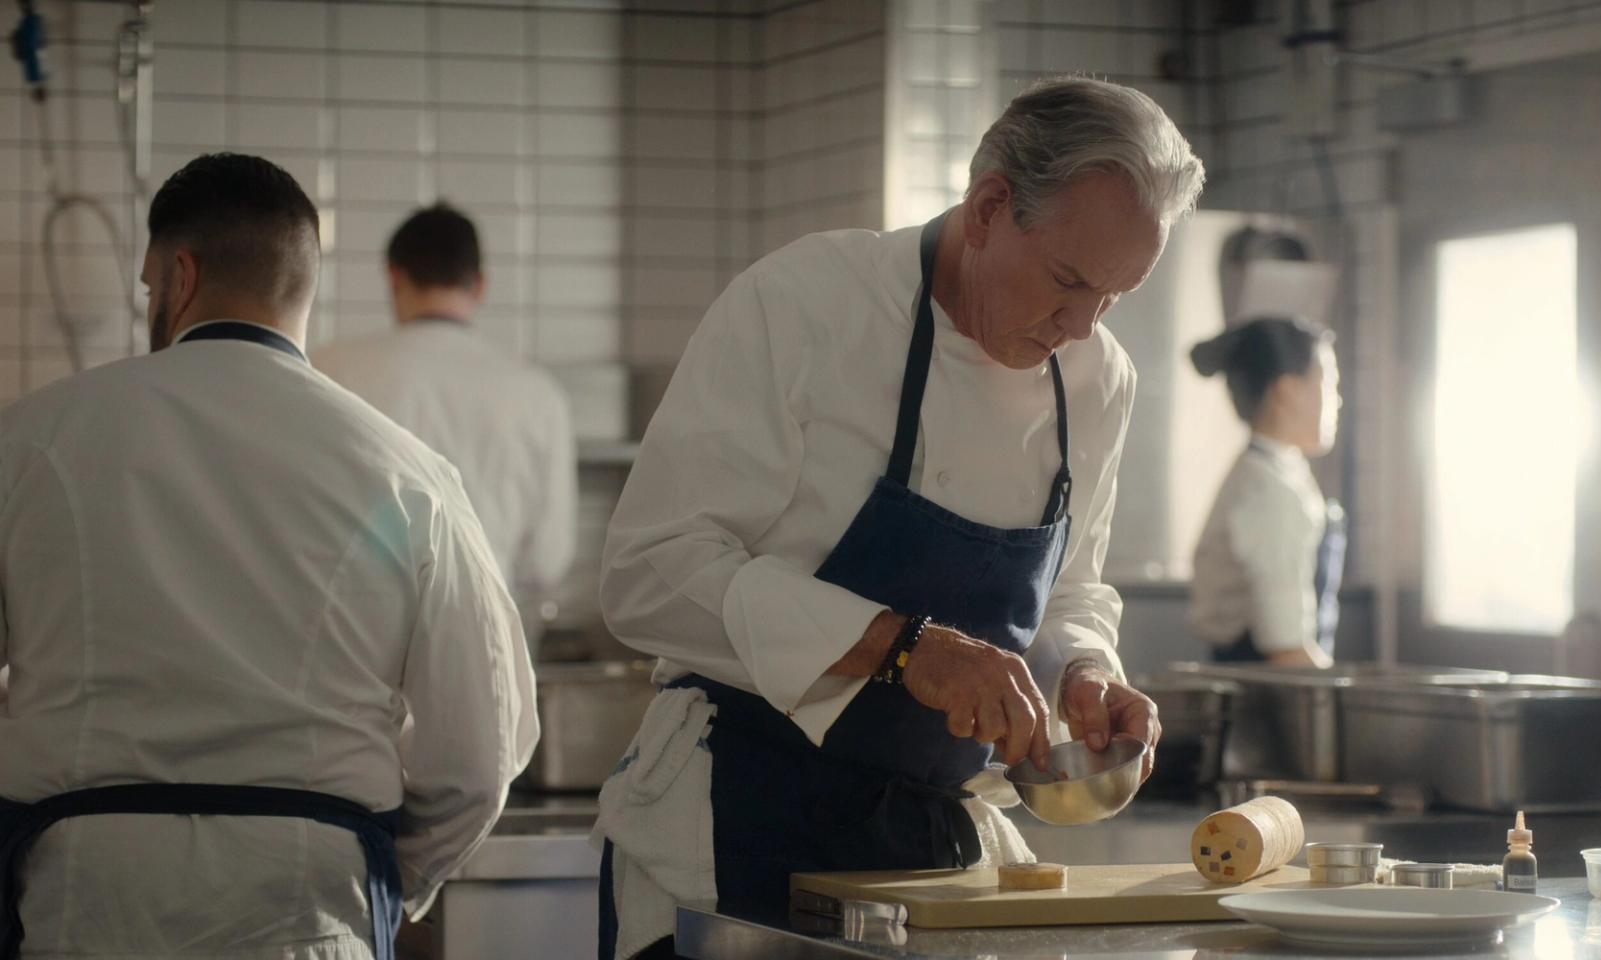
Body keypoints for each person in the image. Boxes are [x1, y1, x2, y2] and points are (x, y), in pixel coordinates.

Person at [593, 77, 1203, 958]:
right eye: (1068, 281)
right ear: (990, 205)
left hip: (927, 863)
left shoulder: (1099, 381)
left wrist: (1084, 673)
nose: (1081, 326)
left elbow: (1070, 591)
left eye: (1115, 297)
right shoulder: (809, 305)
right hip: (736, 826)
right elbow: (648, 575)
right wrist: (906, 648)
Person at [0, 154, 538, 960]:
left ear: (179, 275)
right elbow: (480, 757)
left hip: (86, 899)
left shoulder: (30, 440)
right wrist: (391, 872)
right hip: (308, 907)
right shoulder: (407, 473)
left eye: (149, 288)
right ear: (304, 286)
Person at [315, 203, 577, 638]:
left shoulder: (330, 370)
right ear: (480, 285)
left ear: (394, 276)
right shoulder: (538, 394)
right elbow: (548, 559)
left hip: (356, 635)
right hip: (483, 632)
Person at [1187, 316, 1345, 668]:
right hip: (1264, 699)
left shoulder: (1279, 470)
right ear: (1288, 390)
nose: (1338, 401)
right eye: (1330, 384)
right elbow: (1285, 646)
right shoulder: (1268, 491)